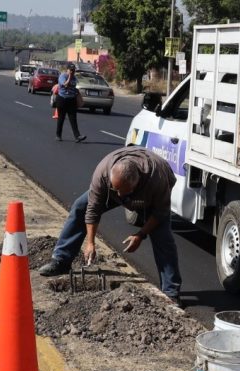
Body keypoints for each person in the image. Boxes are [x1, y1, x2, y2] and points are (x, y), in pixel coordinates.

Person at [38, 146, 182, 305]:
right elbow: (92, 209)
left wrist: (141, 234)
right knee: (80, 207)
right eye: (116, 190)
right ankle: (61, 260)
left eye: (124, 192)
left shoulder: (157, 179)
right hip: (118, 186)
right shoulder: (103, 173)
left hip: (149, 195)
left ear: (136, 183)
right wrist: (90, 242)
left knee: (163, 238)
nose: (119, 196)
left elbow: (160, 213)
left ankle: (170, 291)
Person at [55, 63, 86, 143]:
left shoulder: (74, 78)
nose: (72, 71)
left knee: (73, 119)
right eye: (71, 70)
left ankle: (77, 136)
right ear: (67, 69)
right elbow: (65, 85)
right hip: (62, 99)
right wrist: (69, 76)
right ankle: (58, 135)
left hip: (71, 99)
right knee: (61, 118)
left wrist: (77, 94)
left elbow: (73, 86)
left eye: (74, 70)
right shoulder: (63, 76)